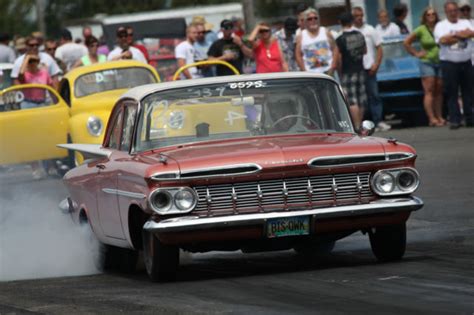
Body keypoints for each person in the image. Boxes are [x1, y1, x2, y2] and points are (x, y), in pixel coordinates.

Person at [434, 1, 474, 129]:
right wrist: (461, 35)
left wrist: (454, 35)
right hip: (449, 63)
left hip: (466, 62)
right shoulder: (441, 25)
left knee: (468, 91)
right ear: (446, 12)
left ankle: (469, 117)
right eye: (450, 11)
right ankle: (455, 119)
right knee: (452, 93)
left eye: (455, 10)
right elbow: (443, 40)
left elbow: (471, 33)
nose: (453, 13)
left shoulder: (465, 22)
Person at [404, 7, 445, 127]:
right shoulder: (421, 29)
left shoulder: (440, 27)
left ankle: (440, 116)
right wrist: (416, 53)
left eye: (433, 14)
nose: (431, 16)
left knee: (439, 90)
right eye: (428, 14)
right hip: (427, 61)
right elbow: (406, 42)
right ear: (425, 17)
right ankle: (432, 118)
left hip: (441, 60)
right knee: (430, 90)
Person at [353, 6, 390, 132]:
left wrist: (376, 64)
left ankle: (378, 121)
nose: (359, 18)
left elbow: (379, 47)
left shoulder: (370, 29)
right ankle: (362, 124)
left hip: (370, 68)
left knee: (374, 95)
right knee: (360, 98)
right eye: (356, 16)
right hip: (356, 70)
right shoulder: (351, 31)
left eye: (360, 16)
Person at [17, 53, 54, 179]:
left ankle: (48, 165)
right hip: (28, 104)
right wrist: (26, 59)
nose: (33, 63)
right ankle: (35, 168)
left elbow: (51, 88)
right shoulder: (25, 74)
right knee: (30, 138)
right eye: (30, 61)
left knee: (46, 135)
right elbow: (20, 76)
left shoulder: (44, 73)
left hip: (42, 104)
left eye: (35, 60)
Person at [334, 12, 367, 129]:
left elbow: (338, 59)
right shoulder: (360, 34)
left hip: (348, 71)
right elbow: (365, 51)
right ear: (352, 21)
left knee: (352, 100)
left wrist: (339, 71)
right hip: (360, 69)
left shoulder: (340, 39)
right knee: (361, 98)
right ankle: (361, 123)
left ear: (340, 23)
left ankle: (356, 126)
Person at [295, 8, 337, 75]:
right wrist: (304, 70)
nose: (313, 20)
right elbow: (298, 55)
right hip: (311, 73)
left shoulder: (325, 31)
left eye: (315, 18)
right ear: (305, 22)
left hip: (328, 71)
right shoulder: (301, 36)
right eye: (310, 19)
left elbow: (335, 49)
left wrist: (333, 66)